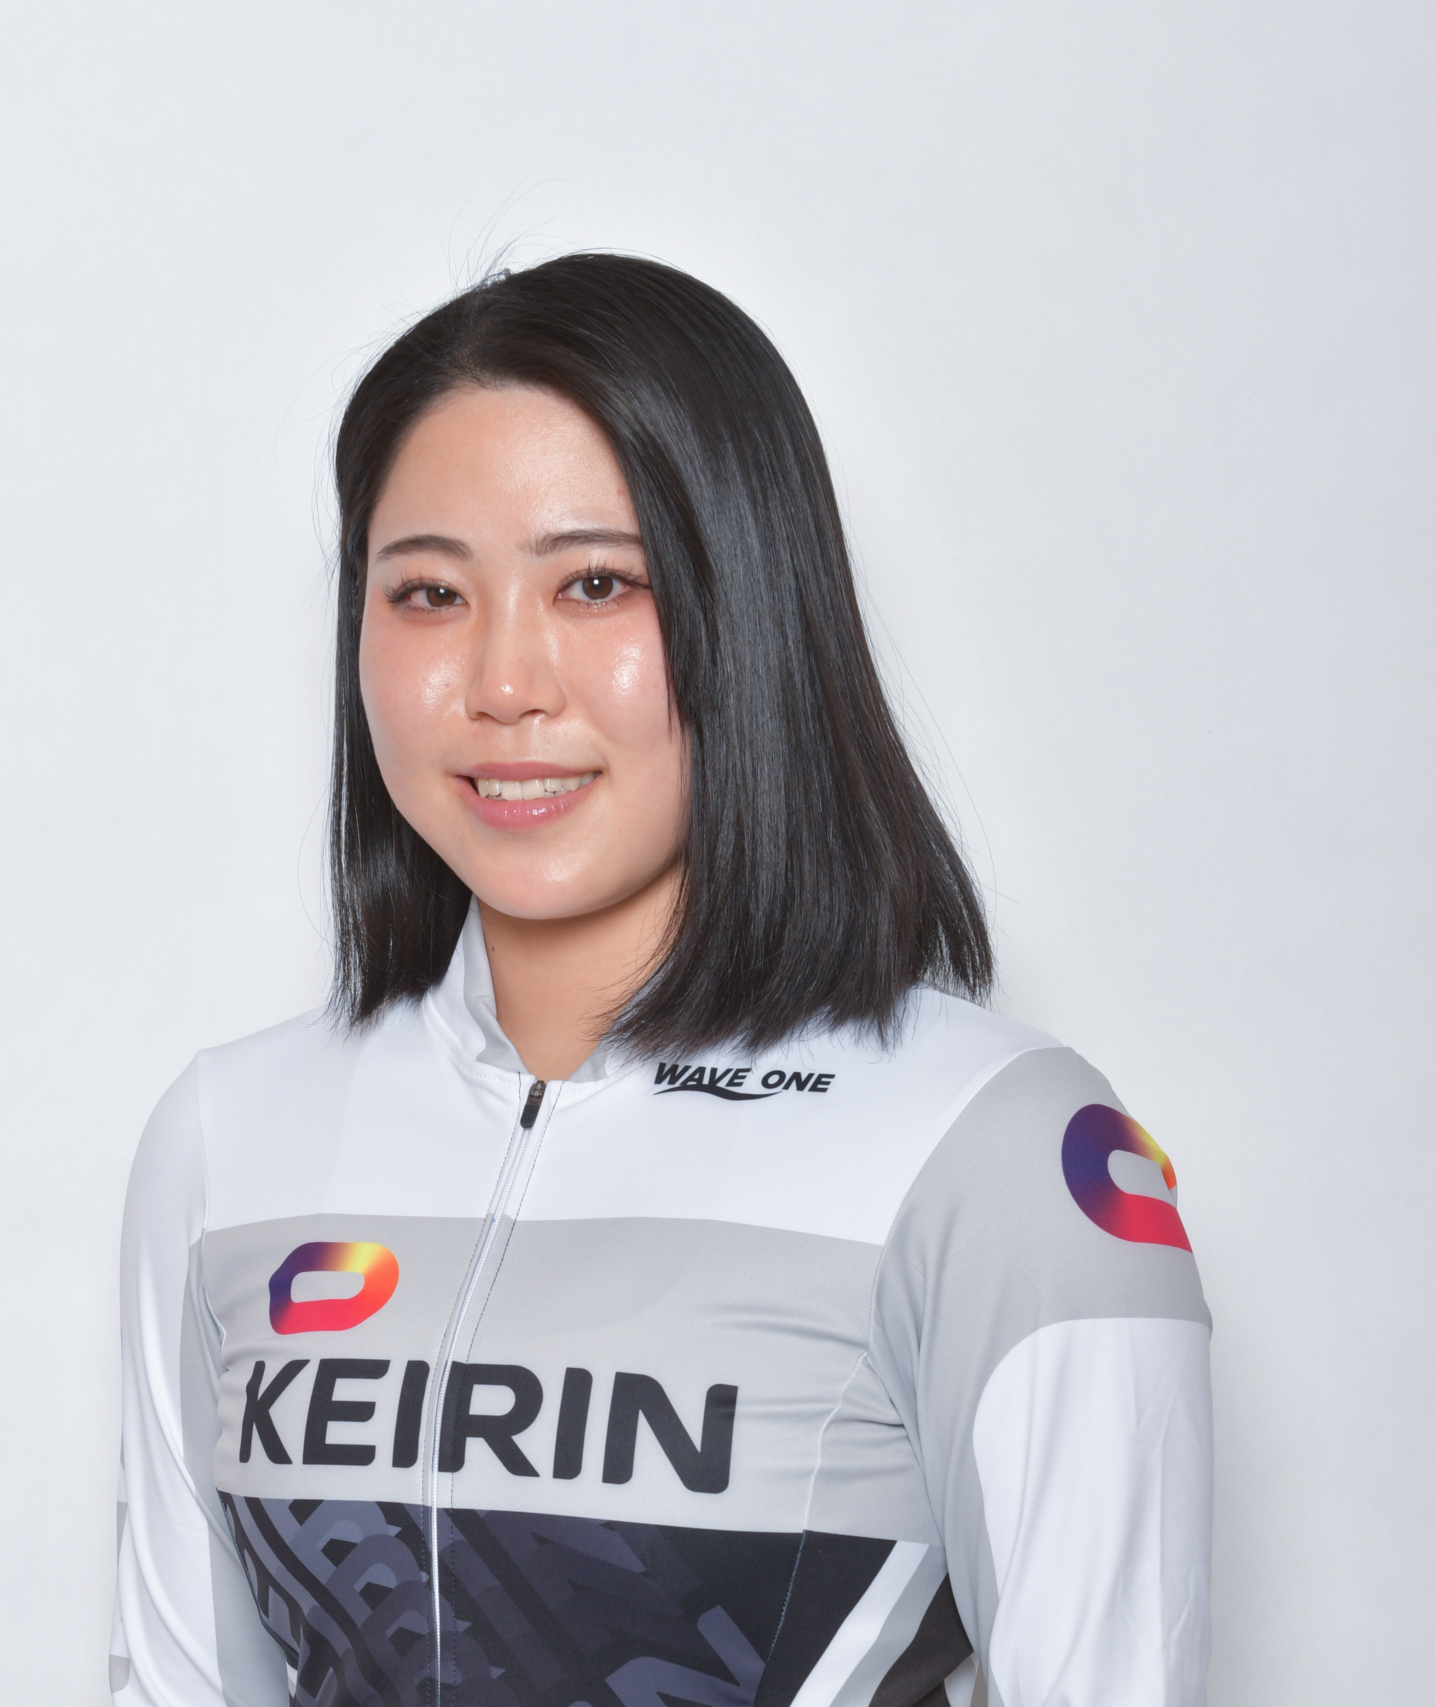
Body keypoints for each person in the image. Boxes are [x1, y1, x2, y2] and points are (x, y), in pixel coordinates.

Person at [110, 254, 1212, 1707]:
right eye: (428, 592)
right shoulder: (228, 1140)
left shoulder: (1001, 1155)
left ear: (753, 610)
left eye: (597, 584)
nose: (504, 683)